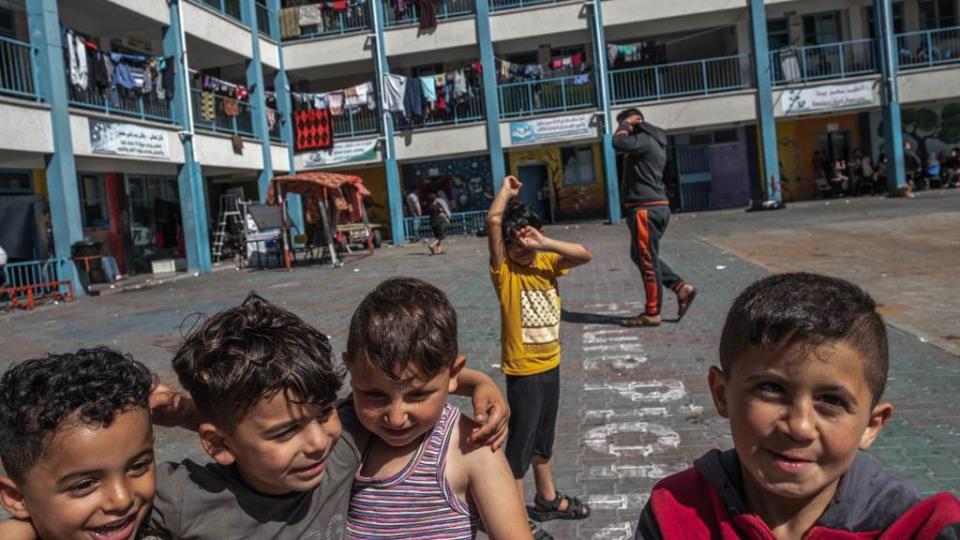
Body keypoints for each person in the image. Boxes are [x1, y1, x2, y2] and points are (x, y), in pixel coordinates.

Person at [147, 293, 510, 538]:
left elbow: (405, 382)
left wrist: (480, 384)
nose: (319, 442)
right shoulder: (183, 498)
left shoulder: (345, 443)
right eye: (287, 432)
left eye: (323, 413)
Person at [633, 273, 960, 539]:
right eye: (771, 389)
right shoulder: (675, 514)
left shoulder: (915, 527)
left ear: (871, 425)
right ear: (721, 394)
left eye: (831, 401)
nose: (799, 427)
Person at [343, 277, 532, 539]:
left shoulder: (470, 451)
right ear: (349, 368)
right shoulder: (336, 433)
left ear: (454, 373)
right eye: (375, 396)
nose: (396, 418)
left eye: (418, 395)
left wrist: (479, 381)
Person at [486, 176, 593, 540]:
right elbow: (493, 223)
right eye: (516, 245)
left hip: (552, 364)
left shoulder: (546, 261)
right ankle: (516, 518)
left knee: (544, 442)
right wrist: (506, 194)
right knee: (520, 448)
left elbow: (584, 254)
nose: (524, 250)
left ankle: (546, 499)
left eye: (528, 241)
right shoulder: (505, 272)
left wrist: (542, 241)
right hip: (525, 373)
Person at [0, 348, 166, 540]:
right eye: (84, 485)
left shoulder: (169, 510)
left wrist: (189, 415)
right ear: (16, 498)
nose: (122, 500)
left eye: (138, 466)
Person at [613, 108, 697, 327]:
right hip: (651, 206)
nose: (624, 130)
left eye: (626, 125)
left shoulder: (643, 139)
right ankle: (681, 287)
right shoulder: (650, 142)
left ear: (636, 122)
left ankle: (652, 313)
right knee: (640, 255)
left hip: (645, 209)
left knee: (647, 261)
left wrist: (627, 124)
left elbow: (617, 143)